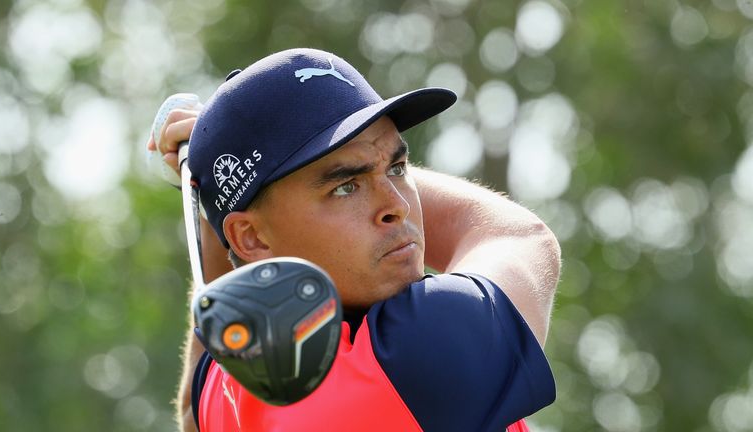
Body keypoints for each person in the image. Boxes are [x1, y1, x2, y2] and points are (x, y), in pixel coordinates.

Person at [147, 48, 561, 432]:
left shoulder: (240, 382)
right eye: (346, 186)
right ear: (252, 237)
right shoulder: (421, 344)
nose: (396, 205)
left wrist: (216, 193)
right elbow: (515, 234)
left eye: (399, 167)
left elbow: (192, 405)